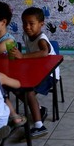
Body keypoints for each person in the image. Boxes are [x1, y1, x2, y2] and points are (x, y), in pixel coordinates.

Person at [10, 7, 58, 138]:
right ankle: (39, 108)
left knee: (28, 91)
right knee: (13, 86)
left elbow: (44, 52)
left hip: (49, 74)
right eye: (24, 23)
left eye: (31, 23)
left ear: (41, 24)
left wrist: (22, 57)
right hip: (36, 71)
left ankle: (39, 126)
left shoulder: (41, 38)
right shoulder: (26, 35)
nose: (27, 27)